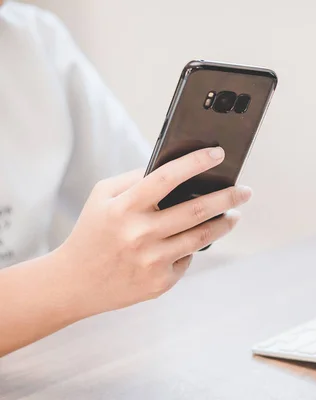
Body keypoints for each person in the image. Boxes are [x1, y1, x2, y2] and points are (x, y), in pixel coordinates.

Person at [0, 1, 252, 356]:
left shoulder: (34, 39)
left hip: (44, 355)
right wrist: (72, 278)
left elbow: (135, 197)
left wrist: (168, 218)